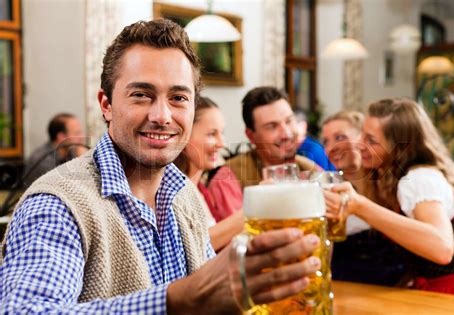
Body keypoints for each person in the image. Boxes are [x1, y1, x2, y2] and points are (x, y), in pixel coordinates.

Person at [0, 19, 322, 313]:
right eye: (142, 94)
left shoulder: (185, 196)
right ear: (106, 104)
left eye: (179, 98)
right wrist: (179, 299)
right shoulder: (58, 205)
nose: (162, 116)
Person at [328, 98, 454, 295]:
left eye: (370, 140)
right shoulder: (391, 180)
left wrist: (360, 206)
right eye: (362, 134)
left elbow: (442, 248)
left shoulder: (419, 178)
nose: (360, 145)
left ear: (398, 147)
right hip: (432, 292)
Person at [321, 110, 407, 286]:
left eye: (340, 137)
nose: (331, 148)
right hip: (345, 286)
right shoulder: (328, 188)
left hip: (396, 288)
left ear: (362, 140)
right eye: (326, 141)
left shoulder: (391, 184)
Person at [175, 96, 244, 251]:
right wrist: (252, 210)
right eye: (212, 134)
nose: (222, 143)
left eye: (222, 133)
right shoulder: (173, 192)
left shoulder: (201, 190)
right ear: (185, 134)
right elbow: (195, 247)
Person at [227, 86, 321, 188]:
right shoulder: (229, 177)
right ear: (251, 136)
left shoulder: (310, 169)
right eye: (272, 126)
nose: (287, 134)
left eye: (289, 121)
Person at [22, 113, 86, 187]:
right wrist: (81, 160)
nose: (82, 137)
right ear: (61, 137)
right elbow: (68, 186)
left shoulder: (71, 152)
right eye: (77, 133)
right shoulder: (42, 159)